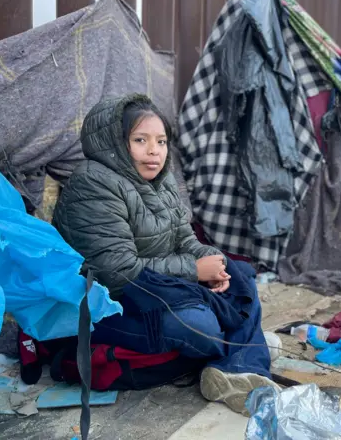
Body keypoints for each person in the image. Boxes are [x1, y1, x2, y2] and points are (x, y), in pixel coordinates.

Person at [53, 94, 277, 414]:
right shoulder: (93, 183)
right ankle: (246, 348)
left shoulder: (161, 179)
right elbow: (115, 272)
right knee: (202, 326)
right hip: (109, 304)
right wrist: (194, 270)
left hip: (157, 288)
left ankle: (239, 362)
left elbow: (185, 237)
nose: (154, 150)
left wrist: (214, 266)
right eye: (140, 140)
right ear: (114, 142)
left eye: (161, 141)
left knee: (240, 275)